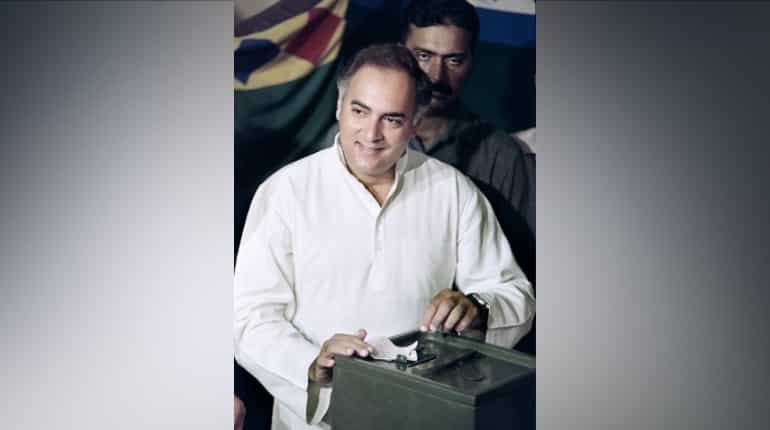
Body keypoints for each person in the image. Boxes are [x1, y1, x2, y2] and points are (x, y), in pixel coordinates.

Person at [234, 44, 534, 430]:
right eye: (359, 111)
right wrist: (309, 363)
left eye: (391, 119)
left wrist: (478, 308)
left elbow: (515, 294)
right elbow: (250, 317)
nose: (371, 134)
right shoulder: (286, 192)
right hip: (314, 422)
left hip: (426, 416)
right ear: (339, 106)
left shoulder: (453, 191)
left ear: (415, 121)